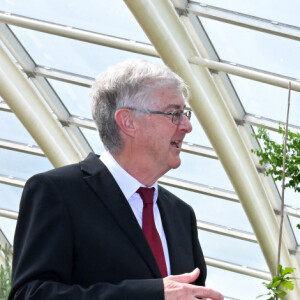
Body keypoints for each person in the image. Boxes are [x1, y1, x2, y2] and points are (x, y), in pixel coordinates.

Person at [9, 59, 224, 300]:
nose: (187, 126)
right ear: (128, 122)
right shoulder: (59, 193)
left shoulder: (181, 215)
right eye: (174, 113)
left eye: (184, 114)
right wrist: (151, 294)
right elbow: (31, 295)